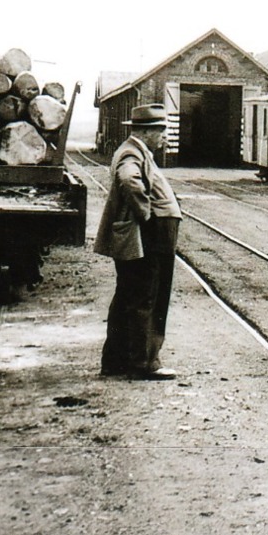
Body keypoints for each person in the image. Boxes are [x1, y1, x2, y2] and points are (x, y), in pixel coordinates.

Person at [93, 104, 183, 380]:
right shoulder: (132, 153)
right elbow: (129, 180)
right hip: (148, 235)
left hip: (146, 235)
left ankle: (116, 361)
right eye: (160, 132)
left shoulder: (136, 151)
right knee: (147, 297)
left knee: (128, 296)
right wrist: (147, 214)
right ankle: (144, 363)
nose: (164, 137)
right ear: (146, 132)